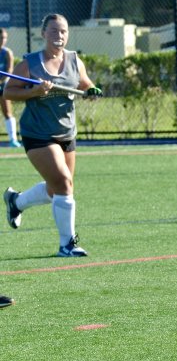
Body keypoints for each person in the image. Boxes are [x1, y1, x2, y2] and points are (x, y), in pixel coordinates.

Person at [2, 14, 102, 257]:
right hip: (37, 133)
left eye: (64, 31)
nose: (60, 36)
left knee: (56, 188)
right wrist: (35, 90)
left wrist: (91, 91)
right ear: (43, 34)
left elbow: (84, 83)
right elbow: (8, 92)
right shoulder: (30, 63)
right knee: (64, 184)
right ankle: (67, 243)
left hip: (67, 132)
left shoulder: (74, 60)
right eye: (54, 31)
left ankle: (16, 202)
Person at [0, 28, 21, 148]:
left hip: (3, 87)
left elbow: (9, 71)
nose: (3, 40)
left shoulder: (7, 52)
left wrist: (1, 81)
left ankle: (13, 140)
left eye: (5, 38)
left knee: (7, 112)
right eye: (1, 37)